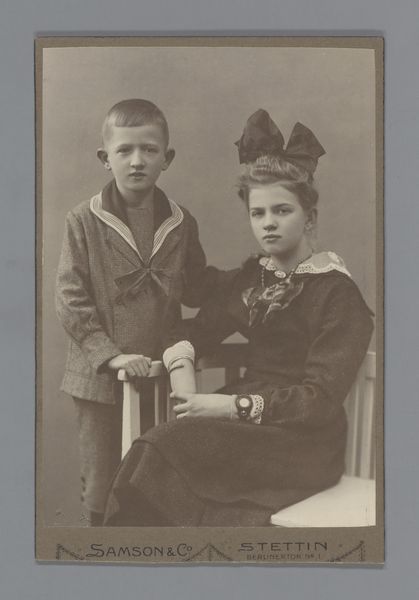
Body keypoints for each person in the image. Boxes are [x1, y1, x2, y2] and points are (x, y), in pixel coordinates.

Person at [103, 109, 374, 527]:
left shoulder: (338, 293)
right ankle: (144, 557)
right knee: (160, 447)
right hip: (247, 429)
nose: (268, 224)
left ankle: (138, 550)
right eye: (258, 213)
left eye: (282, 211)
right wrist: (183, 371)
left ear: (310, 217)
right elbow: (196, 330)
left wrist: (229, 405)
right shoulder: (254, 278)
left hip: (304, 443)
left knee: (163, 447)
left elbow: (319, 401)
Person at [55, 99, 220, 526]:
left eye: (149, 150)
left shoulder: (181, 222)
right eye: (124, 150)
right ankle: (102, 549)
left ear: (167, 158)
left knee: (153, 471)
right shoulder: (83, 220)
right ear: (104, 158)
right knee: (102, 478)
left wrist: (252, 276)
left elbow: (198, 287)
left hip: (159, 370)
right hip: (101, 377)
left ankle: (148, 552)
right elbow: (70, 298)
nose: (137, 161)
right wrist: (110, 356)